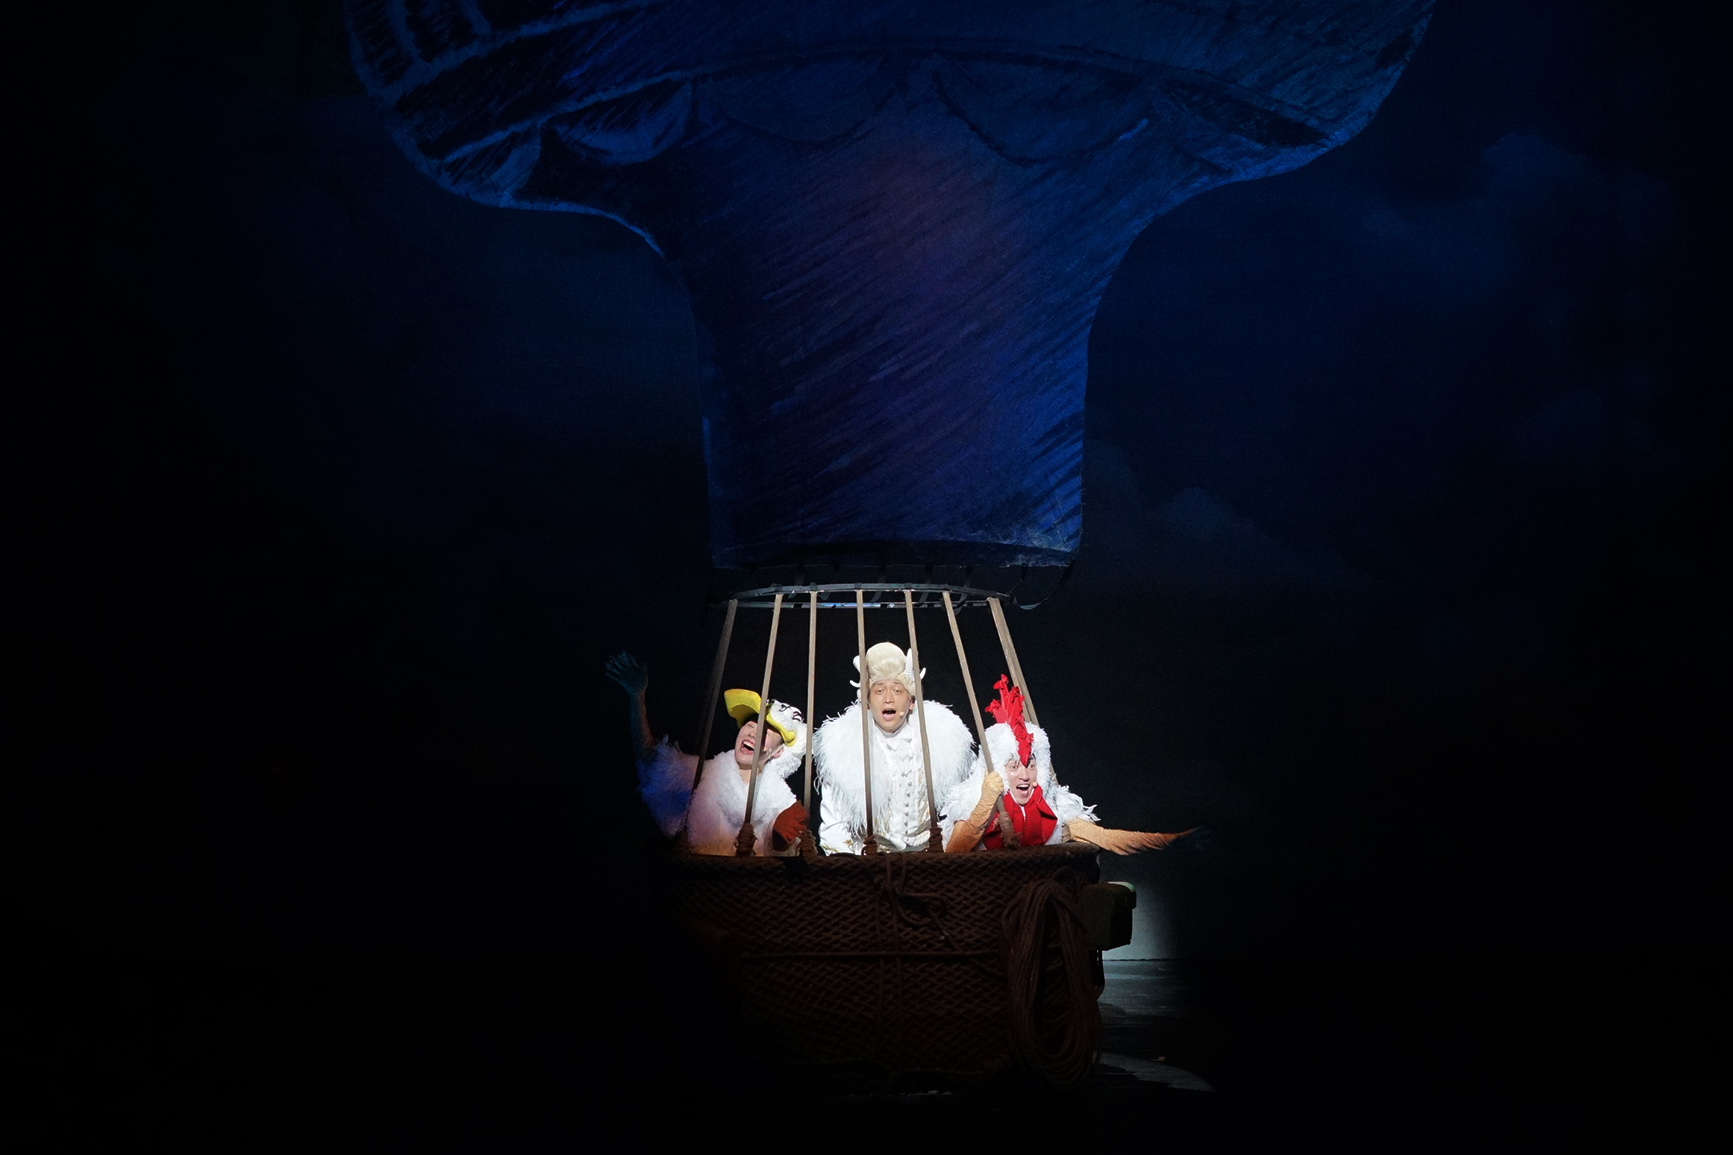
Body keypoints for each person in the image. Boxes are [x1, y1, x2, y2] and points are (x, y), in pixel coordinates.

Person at [945, 676, 1193, 855]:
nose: (1024, 775)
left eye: (1030, 765)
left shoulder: (1053, 810)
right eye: (1013, 766)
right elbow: (953, 851)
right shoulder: (975, 803)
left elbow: (1105, 837)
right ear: (997, 770)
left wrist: (1168, 840)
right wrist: (986, 802)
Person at [605, 652, 809, 855]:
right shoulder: (703, 774)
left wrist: (780, 838)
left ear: (778, 752)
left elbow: (789, 844)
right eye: (750, 724)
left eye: (764, 733)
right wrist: (637, 697)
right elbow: (650, 757)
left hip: (752, 876)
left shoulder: (778, 796)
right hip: (700, 873)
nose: (752, 733)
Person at [811, 641, 976, 854]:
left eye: (897, 690)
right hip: (868, 860)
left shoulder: (944, 740)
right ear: (867, 702)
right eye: (879, 690)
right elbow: (834, 825)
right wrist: (849, 865)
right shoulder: (842, 748)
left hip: (929, 858)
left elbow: (964, 802)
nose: (888, 698)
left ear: (911, 701)